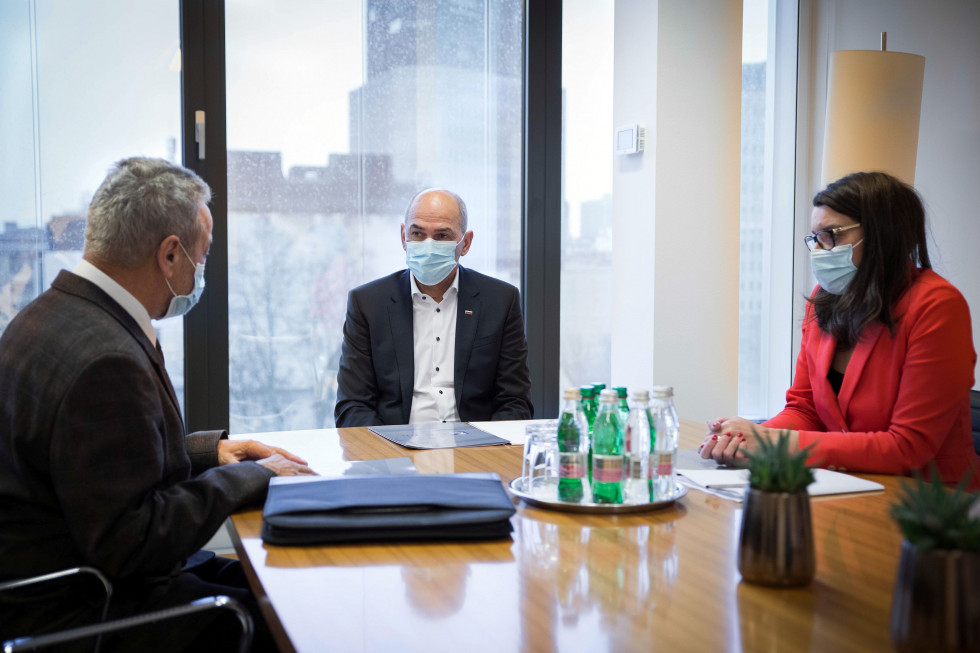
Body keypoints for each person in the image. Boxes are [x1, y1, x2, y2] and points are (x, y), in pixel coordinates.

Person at [0, 157, 315, 651]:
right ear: (170, 255)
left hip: (63, 580)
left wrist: (209, 455)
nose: (202, 271)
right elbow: (135, 540)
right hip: (89, 610)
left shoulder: (48, 315)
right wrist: (254, 477)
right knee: (293, 618)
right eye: (202, 255)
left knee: (277, 585)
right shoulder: (106, 360)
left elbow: (95, 469)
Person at [700, 171, 980, 490]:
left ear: (881, 234)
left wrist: (771, 441)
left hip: (932, 501)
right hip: (847, 485)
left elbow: (908, 447)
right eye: (815, 237)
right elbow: (805, 409)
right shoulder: (823, 299)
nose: (819, 249)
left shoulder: (937, 306)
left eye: (830, 234)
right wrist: (743, 439)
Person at [335, 188, 533, 427]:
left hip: (476, 448)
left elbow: (514, 402)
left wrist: (483, 450)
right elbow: (352, 406)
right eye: (417, 233)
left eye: (441, 236)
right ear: (403, 236)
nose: (428, 246)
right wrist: (392, 455)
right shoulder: (367, 303)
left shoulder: (501, 300)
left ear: (466, 243)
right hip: (393, 448)